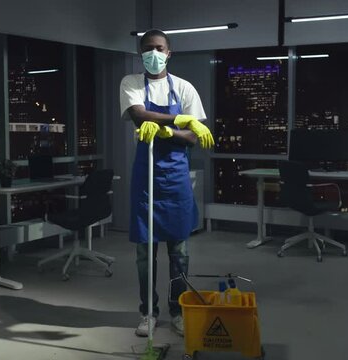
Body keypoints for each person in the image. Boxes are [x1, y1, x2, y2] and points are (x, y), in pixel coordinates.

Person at [119, 29, 214, 337]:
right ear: (140, 52)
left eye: (159, 48)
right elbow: (138, 114)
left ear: (169, 52)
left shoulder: (184, 88)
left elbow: (194, 137)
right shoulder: (131, 83)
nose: (154, 53)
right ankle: (148, 312)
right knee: (145, 254)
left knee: (180, 252)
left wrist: (168, 131)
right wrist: (180, 121)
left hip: (175, 179)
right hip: (145, 179)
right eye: (148, 49)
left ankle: (179, 310)